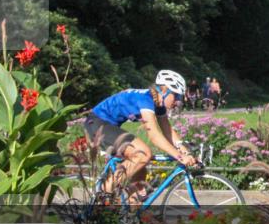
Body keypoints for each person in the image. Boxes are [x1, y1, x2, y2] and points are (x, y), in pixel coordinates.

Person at [83, 70, 197, 205]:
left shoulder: (158, 103)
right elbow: (154, 135)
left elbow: (167, 130)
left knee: (140, 176)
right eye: (176, 95)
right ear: (164, 90)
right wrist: (179, 156)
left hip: (109, 126)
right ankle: (103, 193)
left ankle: (131, 218)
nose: (178, 100)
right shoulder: (146, 99)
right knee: (143, 153)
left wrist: (184, 150)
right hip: (97, 124)